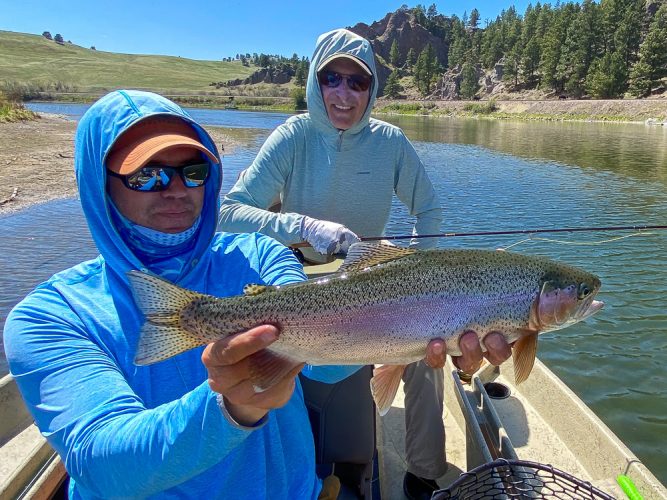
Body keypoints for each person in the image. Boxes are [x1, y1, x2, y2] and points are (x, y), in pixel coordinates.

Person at [2, 89, 473, 499]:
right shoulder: (50, 317)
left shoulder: (257, 254)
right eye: (146, 175)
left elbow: (326, 363)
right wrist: (230, 407)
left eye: (191, 171)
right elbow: (101, 465)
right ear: (97, 186)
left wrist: (429, 322)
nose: (174, 189)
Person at [218, 28, 512, 499]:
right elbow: (228, 215)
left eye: (358, 83)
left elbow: (428, 211)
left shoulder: (391, 142)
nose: (344, 93)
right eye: (332, 78)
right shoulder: (291, 136)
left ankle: (422, 472)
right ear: (316, 82)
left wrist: (423, 276)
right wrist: (303, 227)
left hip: (376, 275)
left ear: (372, 90)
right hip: (299, 274)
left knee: (429, 346)